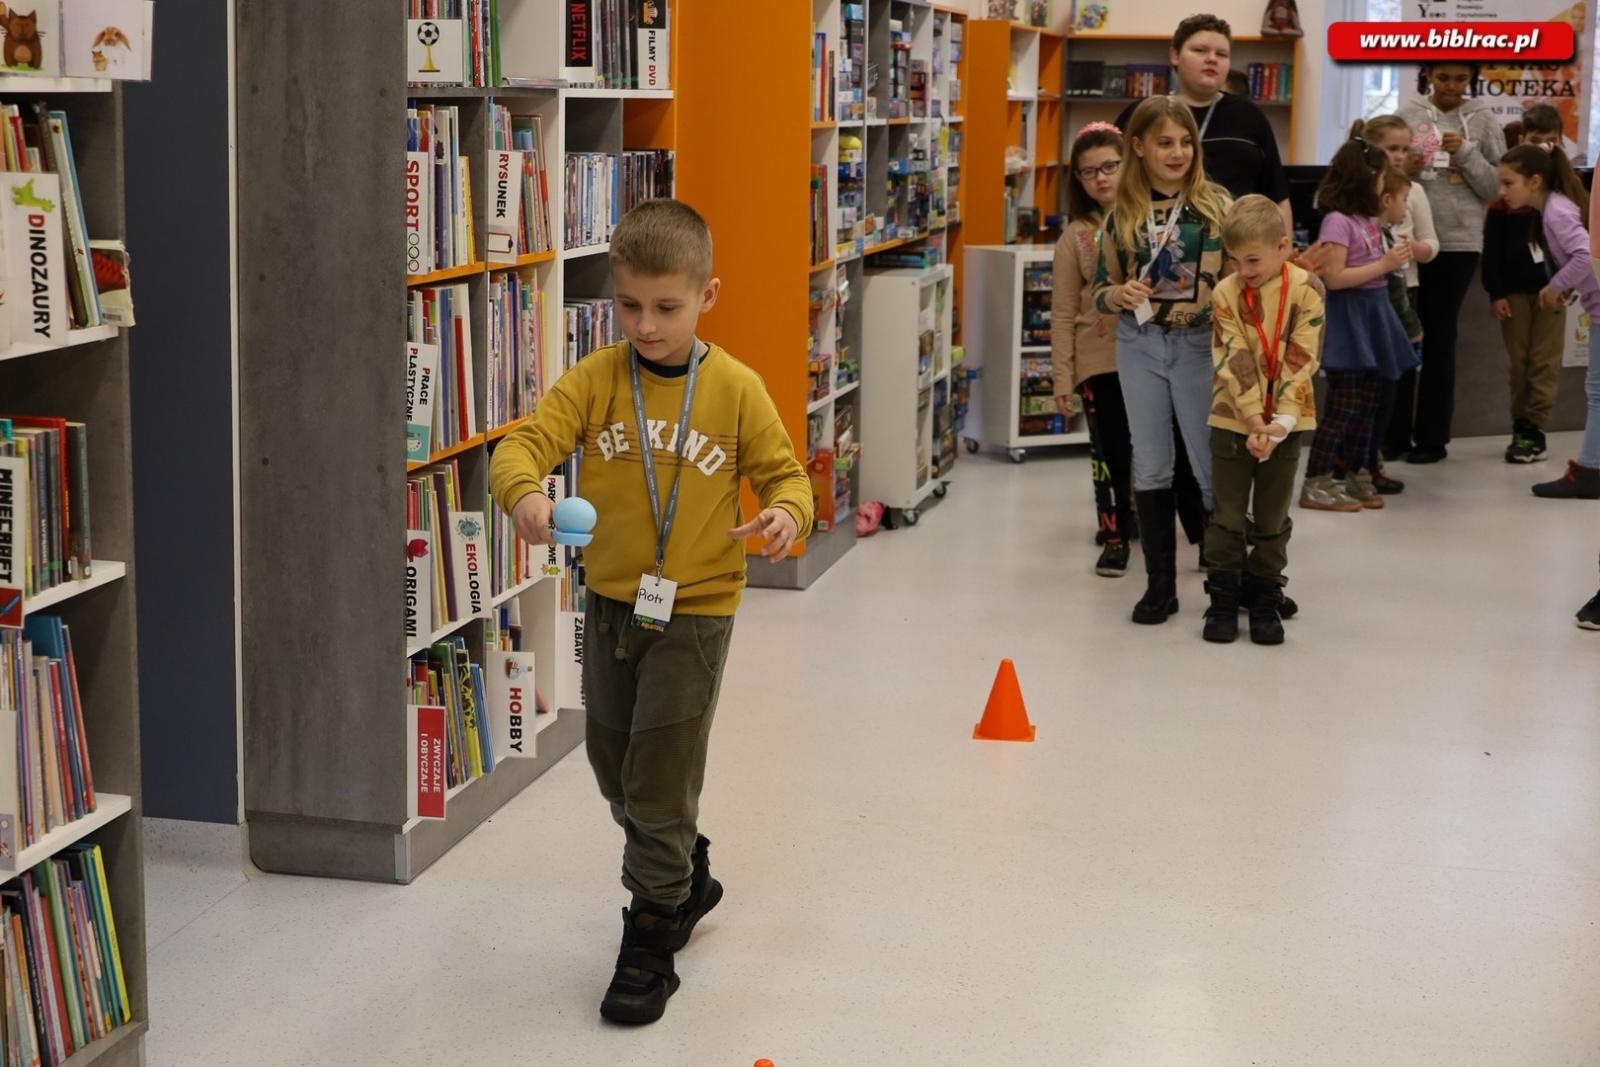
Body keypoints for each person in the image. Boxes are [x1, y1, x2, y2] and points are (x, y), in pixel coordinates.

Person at [488, 199, 814, 1025]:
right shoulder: (598, 379)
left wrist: (786, 515)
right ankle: (682, 864)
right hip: (610, 607)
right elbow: (522, 446)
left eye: (667, 306)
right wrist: (525, 496)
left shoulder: (734, 389)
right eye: (629, 304)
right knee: (614, 766)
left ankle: (654, 925)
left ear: (708, 294)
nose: (645, 325)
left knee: (658, 777)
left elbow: (788, 477)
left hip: (695, 614)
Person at [1116, 13, 1292, 557]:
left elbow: (1277, 195)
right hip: (1147, 321)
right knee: (1152, 447)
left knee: (1212, 436)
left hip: (1222, 304)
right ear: (1175, 56)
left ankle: (1225, 557)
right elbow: (1116, 204)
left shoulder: (1247, 116)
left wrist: (1280, 275)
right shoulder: (1140, 115)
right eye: (1200, 49)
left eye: (1221, 51)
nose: (1212, 59)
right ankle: (1162, 556)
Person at [1091, 96, 1230, 624]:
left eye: (1186, 142)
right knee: (1151, 463)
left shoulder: (1217, 206)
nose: (1177, 153)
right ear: (1138, 147)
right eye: (1165, 143)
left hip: (1199, 346)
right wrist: (1118, 295)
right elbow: (1099, 290)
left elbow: (1246, 274)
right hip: (1140, 343)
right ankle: (1160, 588)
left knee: (1210, 463)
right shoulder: (1121, 215)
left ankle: (1227, 584)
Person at [1204, 194, 1323, 645]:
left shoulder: (1307, 290)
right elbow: (1231, 356)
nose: (1243, 270)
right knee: (1227, 516)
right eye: (1234, 260)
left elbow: (1302, 358)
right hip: (1233, 419)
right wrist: (1255, 418)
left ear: (1283, 246)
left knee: (1273, 518)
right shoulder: (1225, 293)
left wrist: (1281, 423)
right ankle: (1222, 595)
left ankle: (1264, 594)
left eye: (1252, 259)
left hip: (1287, 424)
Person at [1300, 128, 1415, 513]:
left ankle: (1356, 471)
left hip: (1374, 310)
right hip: (1351, 316)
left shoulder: (1366, 218)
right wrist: (1384, 264)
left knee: (1369, 404)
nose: (1383, 183)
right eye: (1380, 176)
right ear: (1365, 178)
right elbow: (1334, 278)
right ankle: (1317, 480)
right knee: (1344, 406)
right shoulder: (1338, 221)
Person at [1395, 62, 1506, 464]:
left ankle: (1432, 438)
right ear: (1429, 76)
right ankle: (1393, 435)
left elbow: (1496, 187)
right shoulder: (1407, 114)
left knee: (1440, 338)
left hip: (1458, 243)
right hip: (1407, 241)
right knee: (1402, 336)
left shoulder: (1483, 119)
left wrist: (1467, 152)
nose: (1452, 86)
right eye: (1443, 78)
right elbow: (1382, 173)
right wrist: (1406, 167)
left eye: (1461, 79)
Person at [1492, 145, 1600, 500]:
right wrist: (1566, 284)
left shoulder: (1556, 211)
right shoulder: (1553, 209)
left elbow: (1586, 255)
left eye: (1509, 183)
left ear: (1534, 181)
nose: (1502, 192)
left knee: (1597, 391)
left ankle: (1590, 470)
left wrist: (1556, 286)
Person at [1053, 121, 1134, 577]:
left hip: (1152, 358)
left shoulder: (1152, 220)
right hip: (1099, 361)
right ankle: (1114, 535)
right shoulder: (1076, 236)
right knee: (1109, 455)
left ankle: (1147, 520)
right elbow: (1064, 312)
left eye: (1110, 166)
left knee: (1156, 452)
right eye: (1089, 172)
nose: (1101, 178)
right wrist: (1063, 378)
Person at [1483, 105, 1567, 465]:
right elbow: (1492, 251)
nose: (1544, 147)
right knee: (1519, 363)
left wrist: (1568, 280)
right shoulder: (1505, 200)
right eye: (1536, 140)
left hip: (1553, 290)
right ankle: (1520, 426)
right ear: (1522, 139)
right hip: (1514, 292)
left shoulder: (1560, 197)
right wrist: (1496, 292)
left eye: (1552, 140)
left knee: (1544, 361)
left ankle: (1536, 428)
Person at [1364, 113, 1440, 490]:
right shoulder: (1360, 190)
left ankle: (1383, 449)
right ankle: (1359, 457)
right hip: (1365, 292)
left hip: (1403, 290)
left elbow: (1432, 243)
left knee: (1395, 379)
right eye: (1390, 148)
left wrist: (1417, 249)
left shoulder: (1415, 191)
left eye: (1404, 148)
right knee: (1365, 381)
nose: (1398, 155)